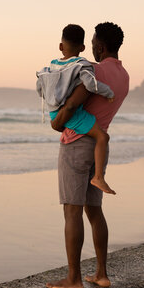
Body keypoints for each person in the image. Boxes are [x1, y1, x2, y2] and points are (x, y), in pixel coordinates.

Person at [45, 22, 130, 288]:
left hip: (77, 143)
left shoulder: (93, 70)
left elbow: (73, 103)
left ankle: (74, 279)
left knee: (72, 211)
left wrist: (57, 122)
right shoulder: (124, 76)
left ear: (100, 46)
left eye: (93, 42)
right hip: (98, 146)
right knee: (94, 211)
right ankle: (101, 274)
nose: (91, 46)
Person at [37, 24, 116, 194]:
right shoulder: (81, 64)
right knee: (102, 136)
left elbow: (40, 87)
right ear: (82, 47)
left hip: (54, 111)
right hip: (72, 112)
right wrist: (108, 92)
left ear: (60, 46)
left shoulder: (50, 67)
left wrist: (52, 102)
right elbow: (90, 84)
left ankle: (98, 178)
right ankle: (98, 177)